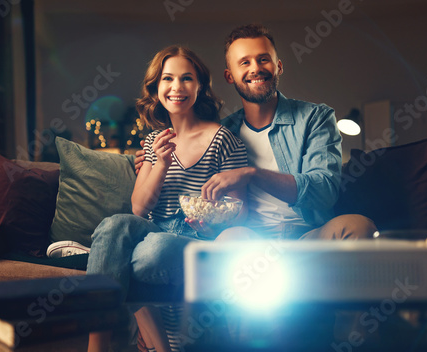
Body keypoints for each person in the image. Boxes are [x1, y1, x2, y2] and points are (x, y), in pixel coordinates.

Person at [132, 23, 377, 277]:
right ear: (230, 76)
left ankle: (340, 314)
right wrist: (149, 161)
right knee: (229, 240)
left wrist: (252, 173)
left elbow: (324, 190)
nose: (256, 68)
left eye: (263, 60)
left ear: (278, 66)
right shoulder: (222, 134)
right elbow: (199, 185)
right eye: (244, 62)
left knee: (360, 227)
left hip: (311, 234)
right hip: (249, 239)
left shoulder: (315, 117)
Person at [87, 45, 247, 352]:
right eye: (167, 79)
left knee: (141, 253)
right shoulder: (153, 141)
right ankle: (97, 345)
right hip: (153, 228)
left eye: (186, 78)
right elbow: (138, 208)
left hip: (196, 238)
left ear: (200, 87)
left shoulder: (223, 139)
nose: (177, 87)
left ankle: (152, 332)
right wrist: (160, 163)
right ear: (156, 88)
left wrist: (211, 218)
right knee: (113, 226)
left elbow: (240, 210)